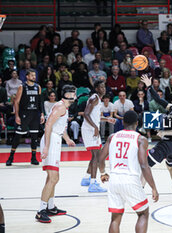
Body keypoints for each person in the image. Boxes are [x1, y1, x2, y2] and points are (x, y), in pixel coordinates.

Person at [98, 110, 159, 233]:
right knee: (143, 213)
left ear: (123, 122)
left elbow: (100, 159)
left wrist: (103, 173)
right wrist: (153, 187)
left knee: (115, 218)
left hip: (114, 180)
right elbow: (144, 165)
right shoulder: (140, 139)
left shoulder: (112, 137)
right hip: (130, 179)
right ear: (137, 123)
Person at [140, 74, 172, 200]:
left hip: (167, 144)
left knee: (146, 165)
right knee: (171, 166)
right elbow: (158, 100)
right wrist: (149, 86)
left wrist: (164, 133)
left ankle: (139, 192)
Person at [35, 85, 77, 223]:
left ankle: (50, 207)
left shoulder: (63, 107)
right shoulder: (60, 107)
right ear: (68, 95)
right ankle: (41, 211)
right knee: (53, 177)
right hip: (51, 140)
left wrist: (68, 139)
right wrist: (46, 146)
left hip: (56, 139)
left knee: (52, 177)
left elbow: (60, 127)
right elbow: (48, 125)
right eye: (74, 94)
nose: (76, 96)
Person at [80, 80, 116, 192]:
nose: (103, 89)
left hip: (92, 129)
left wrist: (107, 119)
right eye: (101, 87)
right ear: (96, 89)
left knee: (95, 155)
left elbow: (93, 116)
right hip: (90, 130)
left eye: (104, 87)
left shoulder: (97, 99)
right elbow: (85, 114)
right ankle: (93, 183)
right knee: (96, 156)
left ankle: (86, 178)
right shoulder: (94, 98)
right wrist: (95, 127)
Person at [6, 69, 45, 166]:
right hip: (24, 114)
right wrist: (17, 116)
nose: (34, 77)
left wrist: (42, 114)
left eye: (34, 75)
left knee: (34, 136)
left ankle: (33, 157)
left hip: (35, 113)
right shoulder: (22, 87)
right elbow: (16, 102)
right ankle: (11, 157)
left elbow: (40, 102)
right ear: (27, 76)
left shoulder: (38, 87)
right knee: (18, 136)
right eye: (31, 75)